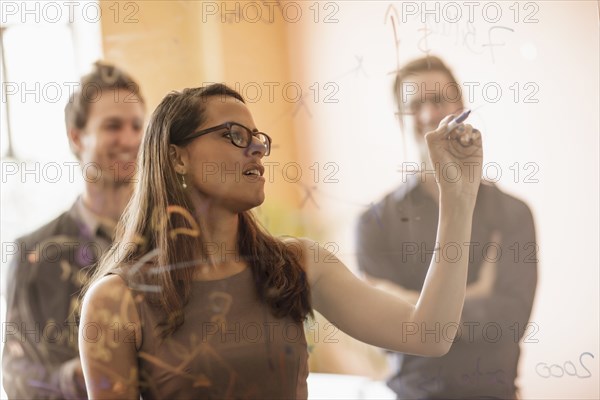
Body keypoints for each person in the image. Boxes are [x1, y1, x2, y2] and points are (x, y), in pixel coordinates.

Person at [78, 83, 482, 399]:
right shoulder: (116, 302)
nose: (256, 148)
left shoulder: (297, 265)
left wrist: (458, 199)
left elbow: (430, 334)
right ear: (176, 158)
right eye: (234, 135)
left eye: (258, 138)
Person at [356, 56, 538, 399]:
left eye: (438, 100)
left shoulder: (513, 213)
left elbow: (509, 322)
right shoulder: (374, 222)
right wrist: (478, 294)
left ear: (461, 105)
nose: (427, 115)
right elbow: (380, 328)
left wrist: (412, 309)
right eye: (415, 105)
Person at [2, 62, 145, 398]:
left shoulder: (175, 239)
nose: (129, 139)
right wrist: (72, 377)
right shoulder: (32, 256)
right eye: (113, 126)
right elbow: (14, 375)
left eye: (137, 126)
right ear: (76, 136)